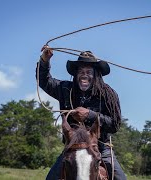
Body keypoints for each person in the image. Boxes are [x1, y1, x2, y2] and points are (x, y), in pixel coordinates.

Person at [37, 45, 127, 180]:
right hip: (72, 147)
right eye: (81, 71)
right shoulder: (65, 89)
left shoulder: (108, 94)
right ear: (76, 74)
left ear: (96, 75)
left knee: (121, 178)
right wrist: (44, 60)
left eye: (89, 71)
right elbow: (44, 81)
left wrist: (90, 115)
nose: (84, 74)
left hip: (100, 148)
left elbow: (115, 124)